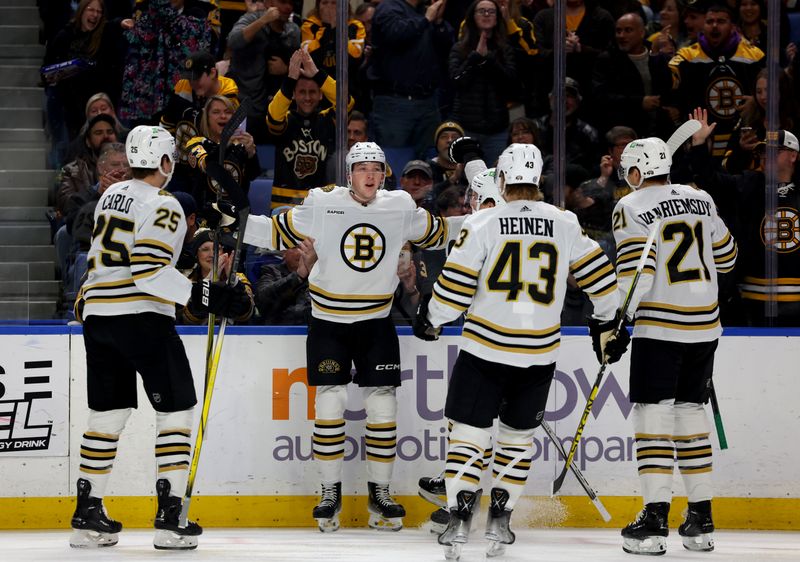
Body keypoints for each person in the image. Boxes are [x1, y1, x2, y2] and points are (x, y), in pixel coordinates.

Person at [413, 143, 627, 558]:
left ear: (504, 180)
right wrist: (605, 322)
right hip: (540, 356)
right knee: (517, 440)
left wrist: (431, 317)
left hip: (485, 349)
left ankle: (458, 520)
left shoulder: (483, 222)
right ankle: (501, 519)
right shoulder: (564, 222)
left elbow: (454, 291)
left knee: (469, 438)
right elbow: (603, 280)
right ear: (538, 180)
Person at [233, 141, 446, 532]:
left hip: (376, 323)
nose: (369, 175)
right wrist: (236, 219)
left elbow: (442, 233)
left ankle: (379, 493)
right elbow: (274, 233)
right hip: (328, 323)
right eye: (362, 168)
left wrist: (492, 219)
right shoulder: (321, 202)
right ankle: (328, 492)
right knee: (329, 405)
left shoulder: (400, 206)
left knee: (383, 409)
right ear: (349, 173)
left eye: (376, 168)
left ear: (385, 174)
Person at [69, 125, 246, 550]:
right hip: (141, 317)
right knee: (178, 412)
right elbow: (147, 270)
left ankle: (87, 512)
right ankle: (170, 517)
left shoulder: (111, 196)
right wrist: (202, 294)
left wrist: (205, 218)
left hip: (98, 315)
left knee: (107, 416)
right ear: (165, 163)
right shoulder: (163, 203)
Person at [611, 130, 737, 555]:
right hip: (705, 325)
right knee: (689, 414)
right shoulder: (700, 198)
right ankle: (701, 518)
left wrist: (618, 323)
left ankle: (654, 518)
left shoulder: (630, 205)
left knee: (652, 420)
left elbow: (636, 275)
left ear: (636, 171)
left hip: (661, 326)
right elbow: (728, 257)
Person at [689, 108, 800, 327]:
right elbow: (709, 180)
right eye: (762, 152)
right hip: (753, 301)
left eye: (774, 151)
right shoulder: (749, 184)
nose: (766, 156)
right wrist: (700, 145)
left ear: (793, 155)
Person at [667, 3, 764, 161]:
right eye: (709, 21)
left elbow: (775, 90)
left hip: (741, 138)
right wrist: (657, 56)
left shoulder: (754, 56)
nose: (714, 26)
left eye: (721, 21)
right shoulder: (686, 56)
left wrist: (757, 100)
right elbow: (666, 82)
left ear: (733, 26)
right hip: (700, 138)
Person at [266, 48, 352, 210]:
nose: (307, 97)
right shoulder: (286, 119)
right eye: (302, 92)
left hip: (319, 204)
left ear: (321, 95)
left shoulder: (328, 119)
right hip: (284, 205)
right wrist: (290, 78)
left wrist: (317, 74)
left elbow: (346, 103)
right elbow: (273, 117)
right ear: (294, 94)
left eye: (312, 92)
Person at [368, 0, 454, 158]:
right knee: (395, 162)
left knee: (430, 163)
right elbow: (396, 34)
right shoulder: (388, 7)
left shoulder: (426, 12)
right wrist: (426, 20)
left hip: (428, 101)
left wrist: (439, 22)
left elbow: (448, 48)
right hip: (395, 102)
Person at [448, 0, 518, 166]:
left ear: (497, 18)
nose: (486, 14)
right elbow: (456, 81)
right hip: (467, 127)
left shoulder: (505, 49)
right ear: (472, 17)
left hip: (497, 129)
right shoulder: (459, 48)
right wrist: (475, 57)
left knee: (496, 178)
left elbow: (511, 85)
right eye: (481, 11)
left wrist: (489, 59)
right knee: (467, 178)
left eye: (491, 11)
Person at [592, 11, 675, 139]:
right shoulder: (607, 60)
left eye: (628, 30)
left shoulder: (655, 52)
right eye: (618, 31)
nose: (621, 35)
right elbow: (601, 97)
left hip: (658, 132)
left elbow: (666, 86)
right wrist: (639, 102)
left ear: (642, 33)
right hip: (624, 132)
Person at [226, 0, 300, 144]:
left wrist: (286, 69)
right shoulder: (251, 18)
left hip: (277, 109)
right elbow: (233, 42)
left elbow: (300, 66)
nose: (287, 7)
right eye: (282, 2)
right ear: (269, 2)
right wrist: (263, 20)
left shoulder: (293, 31)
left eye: (291, 3)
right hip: (246, 105)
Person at [180, 228, 255, 324]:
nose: (212, 254)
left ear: (223, 252)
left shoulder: (239, 278)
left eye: (217, 249)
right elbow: (188, 319)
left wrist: (233, 283)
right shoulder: (187, 281)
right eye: (205, 249)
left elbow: (246, 315)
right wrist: (206, 285)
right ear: (196, 255)